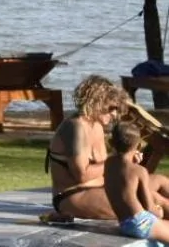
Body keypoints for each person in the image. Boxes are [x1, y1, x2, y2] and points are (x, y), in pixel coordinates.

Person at [48, 75, 129, 220]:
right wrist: (119, 160)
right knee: (147, 205)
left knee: (159, 185)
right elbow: (82, 175)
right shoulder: (76, 127)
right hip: (73, 195)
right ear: (96, 102)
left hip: (99, 189)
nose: (115, 114)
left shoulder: (97, 126)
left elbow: (103, 168)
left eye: (116, 109)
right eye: (111, 108)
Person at [104, 120, 169, 241]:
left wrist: (133, 162)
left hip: (125, 224)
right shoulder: (139, 171)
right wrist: (159, 211)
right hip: (141, 222)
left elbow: (124, 178)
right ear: (139, 146)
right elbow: (149, 207)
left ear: (112, 142)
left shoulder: (109, 163)